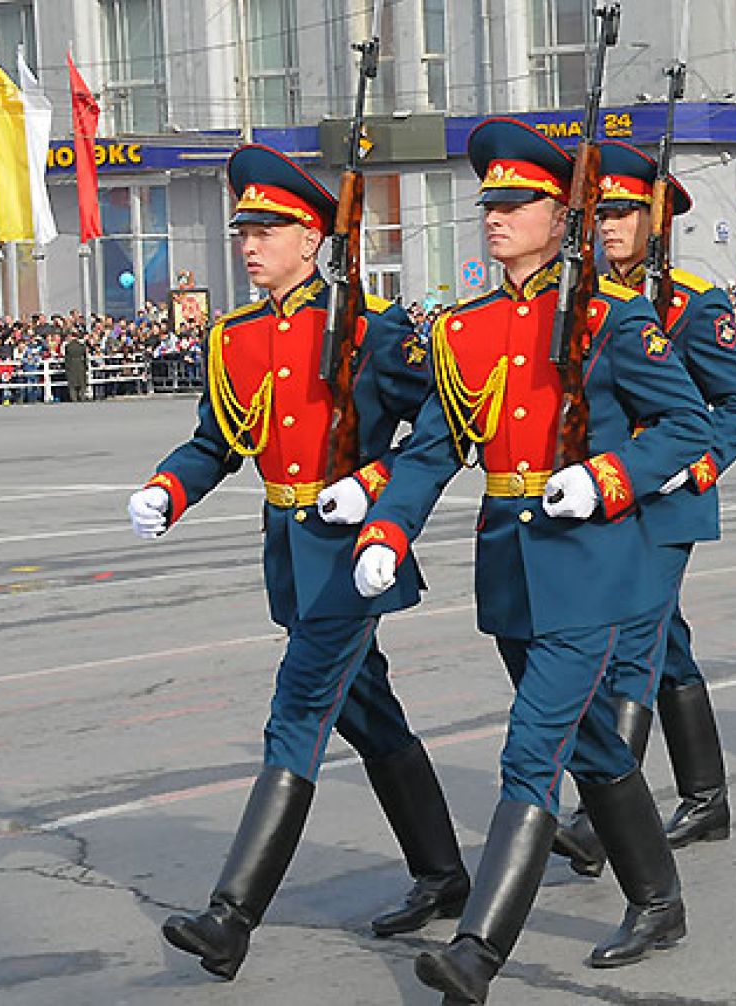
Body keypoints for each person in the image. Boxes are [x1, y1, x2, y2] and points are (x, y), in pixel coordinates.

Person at [351, 118, 711, 1001]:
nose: (497, 216)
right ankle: (658, 898)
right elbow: (434, 450)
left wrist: (608, 476)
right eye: (491, 204)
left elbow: (688, 426)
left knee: (533, 746)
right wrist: (389, 529)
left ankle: (477, 953)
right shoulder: (462, 328)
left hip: (590, 560)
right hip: (510, 563)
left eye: (518, 203)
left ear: (562, 217)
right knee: (592, 740)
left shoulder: (611, 317)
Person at [130, 144, 468, 981]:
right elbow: (217, 441)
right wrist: (170, 488)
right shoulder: (235, 335)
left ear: (312, 239)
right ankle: (442, 871)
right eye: (244, 231)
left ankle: (231, 915)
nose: (250, 245)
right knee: (368, 711)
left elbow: (446, 428)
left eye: (269, 231)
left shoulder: (370, 328)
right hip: (290, 554)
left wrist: (372, 486)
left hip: (353, 556)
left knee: (299, 712)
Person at [551, 139, 736, 877]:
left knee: (632, 647)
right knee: (665, 646)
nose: (610, 226)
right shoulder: (581, 301)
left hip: (667, 504)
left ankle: (599, 819)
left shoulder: (691, 305)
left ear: (658, 222)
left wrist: (696, 465)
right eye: (601, 214)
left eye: (624, 214)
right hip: (603, 498)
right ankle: (706, 797)